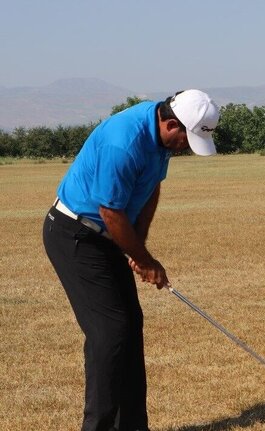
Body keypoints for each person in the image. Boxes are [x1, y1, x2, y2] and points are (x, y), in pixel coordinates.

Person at [42, 89, 220, 431]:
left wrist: (138, 247)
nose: (185, 147)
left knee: (129, 326)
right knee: (110, 332)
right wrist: (145, 259)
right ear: (171, 123)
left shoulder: (161, 138)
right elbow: (110, 210)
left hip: (107, 233)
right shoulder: (122, 142)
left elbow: (151, 188)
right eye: (186, 139)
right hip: (76, 235)